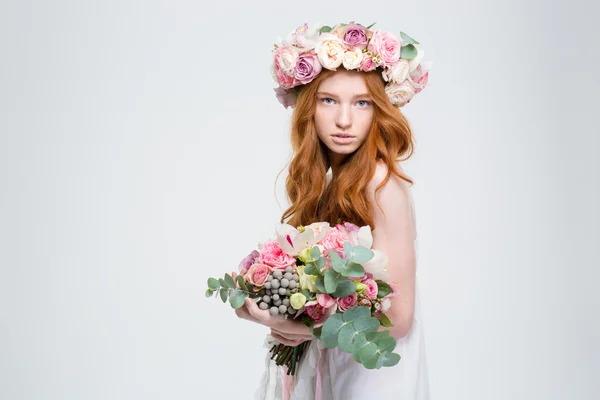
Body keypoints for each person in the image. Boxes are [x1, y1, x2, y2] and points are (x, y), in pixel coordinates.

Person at [234, 21, 431, 399]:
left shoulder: (380, 182)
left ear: (380, 110)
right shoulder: (330, 181)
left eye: (362, 102)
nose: (344, 120)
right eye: (329, 100)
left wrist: (304, 329)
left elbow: (400, 318)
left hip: (375, 371)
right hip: (341, 361)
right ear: (309, 107)